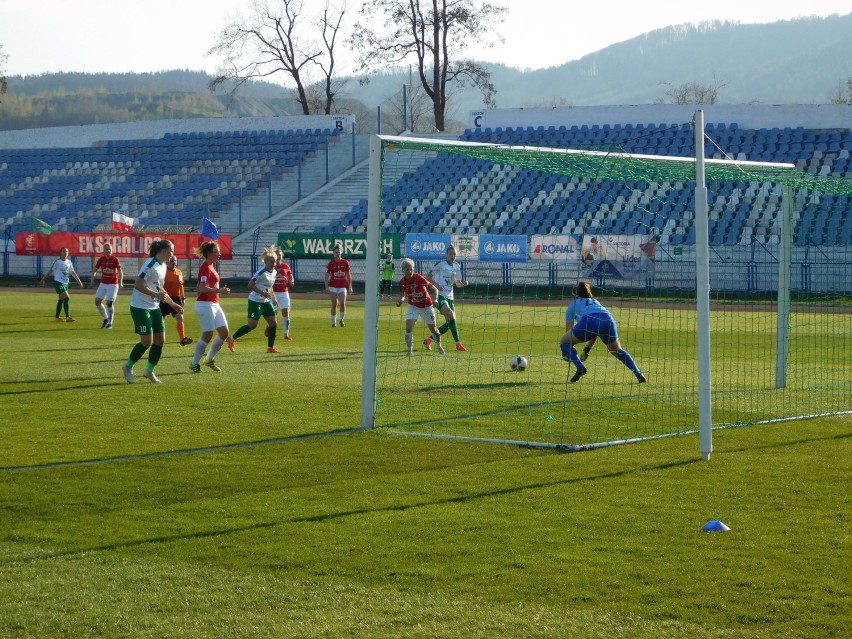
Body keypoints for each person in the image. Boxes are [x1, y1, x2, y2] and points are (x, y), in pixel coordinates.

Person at [559, 281, 647, 384]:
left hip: (590, 321)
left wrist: (566, 352)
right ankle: (638, 373)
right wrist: (586, 350)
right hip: (608, 320)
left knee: (564, 342)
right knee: (618, 350)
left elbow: (569, 332)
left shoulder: (572, 306)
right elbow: (595, 332)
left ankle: (580, 367)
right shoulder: (595, 302)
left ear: (575, 294)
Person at [122, 239, 182, 384]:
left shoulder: (162, 266)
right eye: (171, 250)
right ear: (164, 251)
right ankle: (128, 366)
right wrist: (156, 296)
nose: (173, 253)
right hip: (140, 307)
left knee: (160, 340)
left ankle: (149, 371)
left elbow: (159, 288)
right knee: (146, 341)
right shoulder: (150, 264)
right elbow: (138, 284)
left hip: (154, 307)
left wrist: (173, 304)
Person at [190, 240, 233, 373]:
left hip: (214, 304)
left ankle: (208, 359)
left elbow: (207, 286)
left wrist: (219, 291)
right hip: (205, 304)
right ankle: (194, 363)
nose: (219, 254)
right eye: (216, 252)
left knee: (224, 332)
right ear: (208, 254)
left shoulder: (211, 266)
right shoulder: (205, 267)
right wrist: (219, 290)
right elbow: (201, 288)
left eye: (219, 252)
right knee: (207, 335)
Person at [229, 247, 280, 353]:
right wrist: (263, 293)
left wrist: (274, 299)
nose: (274, 264)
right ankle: (231, 338)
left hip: (266, 302)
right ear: (265, 262)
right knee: (252, 326)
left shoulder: (274, 272)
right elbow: (250, 285)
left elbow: (270, 287)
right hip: (255, 301)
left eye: (275, 262)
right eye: (271, 262)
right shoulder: (261, 273)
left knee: (273, 323)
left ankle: (270, 348)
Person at [396, 258, 444, 356]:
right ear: (403, 270)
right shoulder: (402, 282)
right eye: (407, 270)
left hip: (427, 306)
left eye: (411, 269)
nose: (409, 271)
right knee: (408, 327)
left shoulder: (419, 278)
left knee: (433, 329)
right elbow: (402, 295)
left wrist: (435, 299)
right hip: (413, 306)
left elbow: (434, 289)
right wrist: (400, 300)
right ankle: (410, 350)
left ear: (413, 269)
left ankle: (439, 345)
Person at [425, 245, 469, 352]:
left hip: (450, 297)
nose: (452, 256)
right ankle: (458, 343)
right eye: (450, 254)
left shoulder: (457, 266)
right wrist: (437, 286)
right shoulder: (441, 264)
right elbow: (428, 277)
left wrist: (464, 284)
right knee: (450, 314)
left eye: (454, 254)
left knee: (450, 322)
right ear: (446, 254)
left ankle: (429, 340)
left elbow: (457, 284)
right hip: (440, 295)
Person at [40, 247, 85, 322]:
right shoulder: (57, 262)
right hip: (58, 282)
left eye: (67, 251)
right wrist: (43, 279)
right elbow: (51, 271)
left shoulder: (69, 262)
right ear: (60, 253)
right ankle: (68, 317)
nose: (65, 253)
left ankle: (57, 318)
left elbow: (73, 272)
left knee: (61, 299)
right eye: (64, 251)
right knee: (67, 297)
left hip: (65, 282)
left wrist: (79, 281)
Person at [161, 255, 192, 346]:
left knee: (180, 317)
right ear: (167, 262)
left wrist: (183, 297)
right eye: (172, 261)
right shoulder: (163, 272)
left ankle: (183, 339)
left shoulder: (179, 272)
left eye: (175, 261)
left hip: (177, 298)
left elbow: (181, 285)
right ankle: (158, 337)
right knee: (161, 318)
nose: (174, 262)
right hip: (165, 298)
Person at [89, 243, 123, 328]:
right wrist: (92, 280)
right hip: (103, 283)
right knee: (97, 301)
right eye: (106, 249)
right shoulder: (101, 259)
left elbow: (120, 272)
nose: (108, 250)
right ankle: (106, 318)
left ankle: (110, 324)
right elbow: (95, 270)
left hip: (113, 284)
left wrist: (120, 282)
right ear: (104, 250)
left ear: (111, 250)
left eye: (110, 249)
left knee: (109, 303)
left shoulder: (115, 259)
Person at [324, 243, 352, 327]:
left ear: (341, 253)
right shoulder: (331, 263)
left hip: (342, 286)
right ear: (333, 253)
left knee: (343, 303)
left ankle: (342, 320)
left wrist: (350, 286)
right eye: (336, 252)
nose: (338, 254)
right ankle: (333, 322)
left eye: (339, 252)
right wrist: (326, 286)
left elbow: (348, 274)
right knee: (334, 304)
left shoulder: (345, 262)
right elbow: (326, 275)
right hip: (333, 286)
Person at [271, 247, 295, 340]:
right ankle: (269, 327)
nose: (278, 256)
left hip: (284, 292)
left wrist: (291, 281)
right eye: (276, 255)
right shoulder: (271, 267)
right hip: (273, 293)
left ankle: (286, 334)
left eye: (280, 255)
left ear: (282, 256)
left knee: (285, 311)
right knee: (273, 314)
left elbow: (290, 276)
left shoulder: (286, 266)